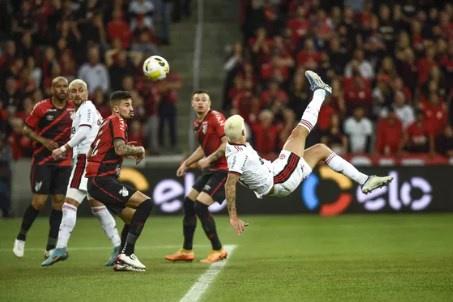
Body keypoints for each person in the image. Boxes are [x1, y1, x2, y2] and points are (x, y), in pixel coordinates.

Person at [224, 71, 393, 235]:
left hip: (276, 173)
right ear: (243, 133)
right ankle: (321, 91)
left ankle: (365, 180)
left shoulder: (231, 145)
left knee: (320, 150)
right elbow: (230, 183)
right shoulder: (239, 155)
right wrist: (233, 217)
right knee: (299, 132)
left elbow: (227, 167)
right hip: (279, 178)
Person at [41, 79, 121, 267]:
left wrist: (64, 148)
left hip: (85, 160)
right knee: (97, 205)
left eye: (81, 90)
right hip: (93, 161)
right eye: (73, 91)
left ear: (87, 93)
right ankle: (118, 245)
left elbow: (85, 131)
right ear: (69, 95)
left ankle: (60, 247)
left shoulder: (86, 108)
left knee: (69, 205)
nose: (77, 94)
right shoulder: (85, 110)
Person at [86, 90, 153, 272]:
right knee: (146, 204)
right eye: (127, 105)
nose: (131, 108)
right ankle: (127, 253)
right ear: (116, 108)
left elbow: (102, 150)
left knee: (133, 219)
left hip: (98, 181)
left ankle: (121, 260)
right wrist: (138, 149)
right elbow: (120, 149)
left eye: (132, 105)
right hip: (102, 180)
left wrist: (131, 150)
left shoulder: (109, 122)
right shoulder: (117, 120)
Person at [13, 77, 73, 258]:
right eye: (59, 87)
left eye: (65, 87)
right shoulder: (41, 107)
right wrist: (43, 141)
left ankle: (50, 247)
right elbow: (26, 129)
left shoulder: (74, 108)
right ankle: (21, 237)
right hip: (43, 161)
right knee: (39, 202)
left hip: (64, 161)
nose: (62, 90)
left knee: (58, 203)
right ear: (52, 89)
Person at [165, 90, 228, 264]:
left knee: (200, 205)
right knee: (188, 203)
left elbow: (226, 142)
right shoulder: (197, 123)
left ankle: (218, 249)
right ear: (192, 104)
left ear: (209, 104)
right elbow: (203, 148)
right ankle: (187, 250)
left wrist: (210, 159)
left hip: (224, 170)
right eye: (197, 100)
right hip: (211, 171)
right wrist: (186, 163)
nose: (200, 102)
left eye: (204, 100)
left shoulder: (215, 117)